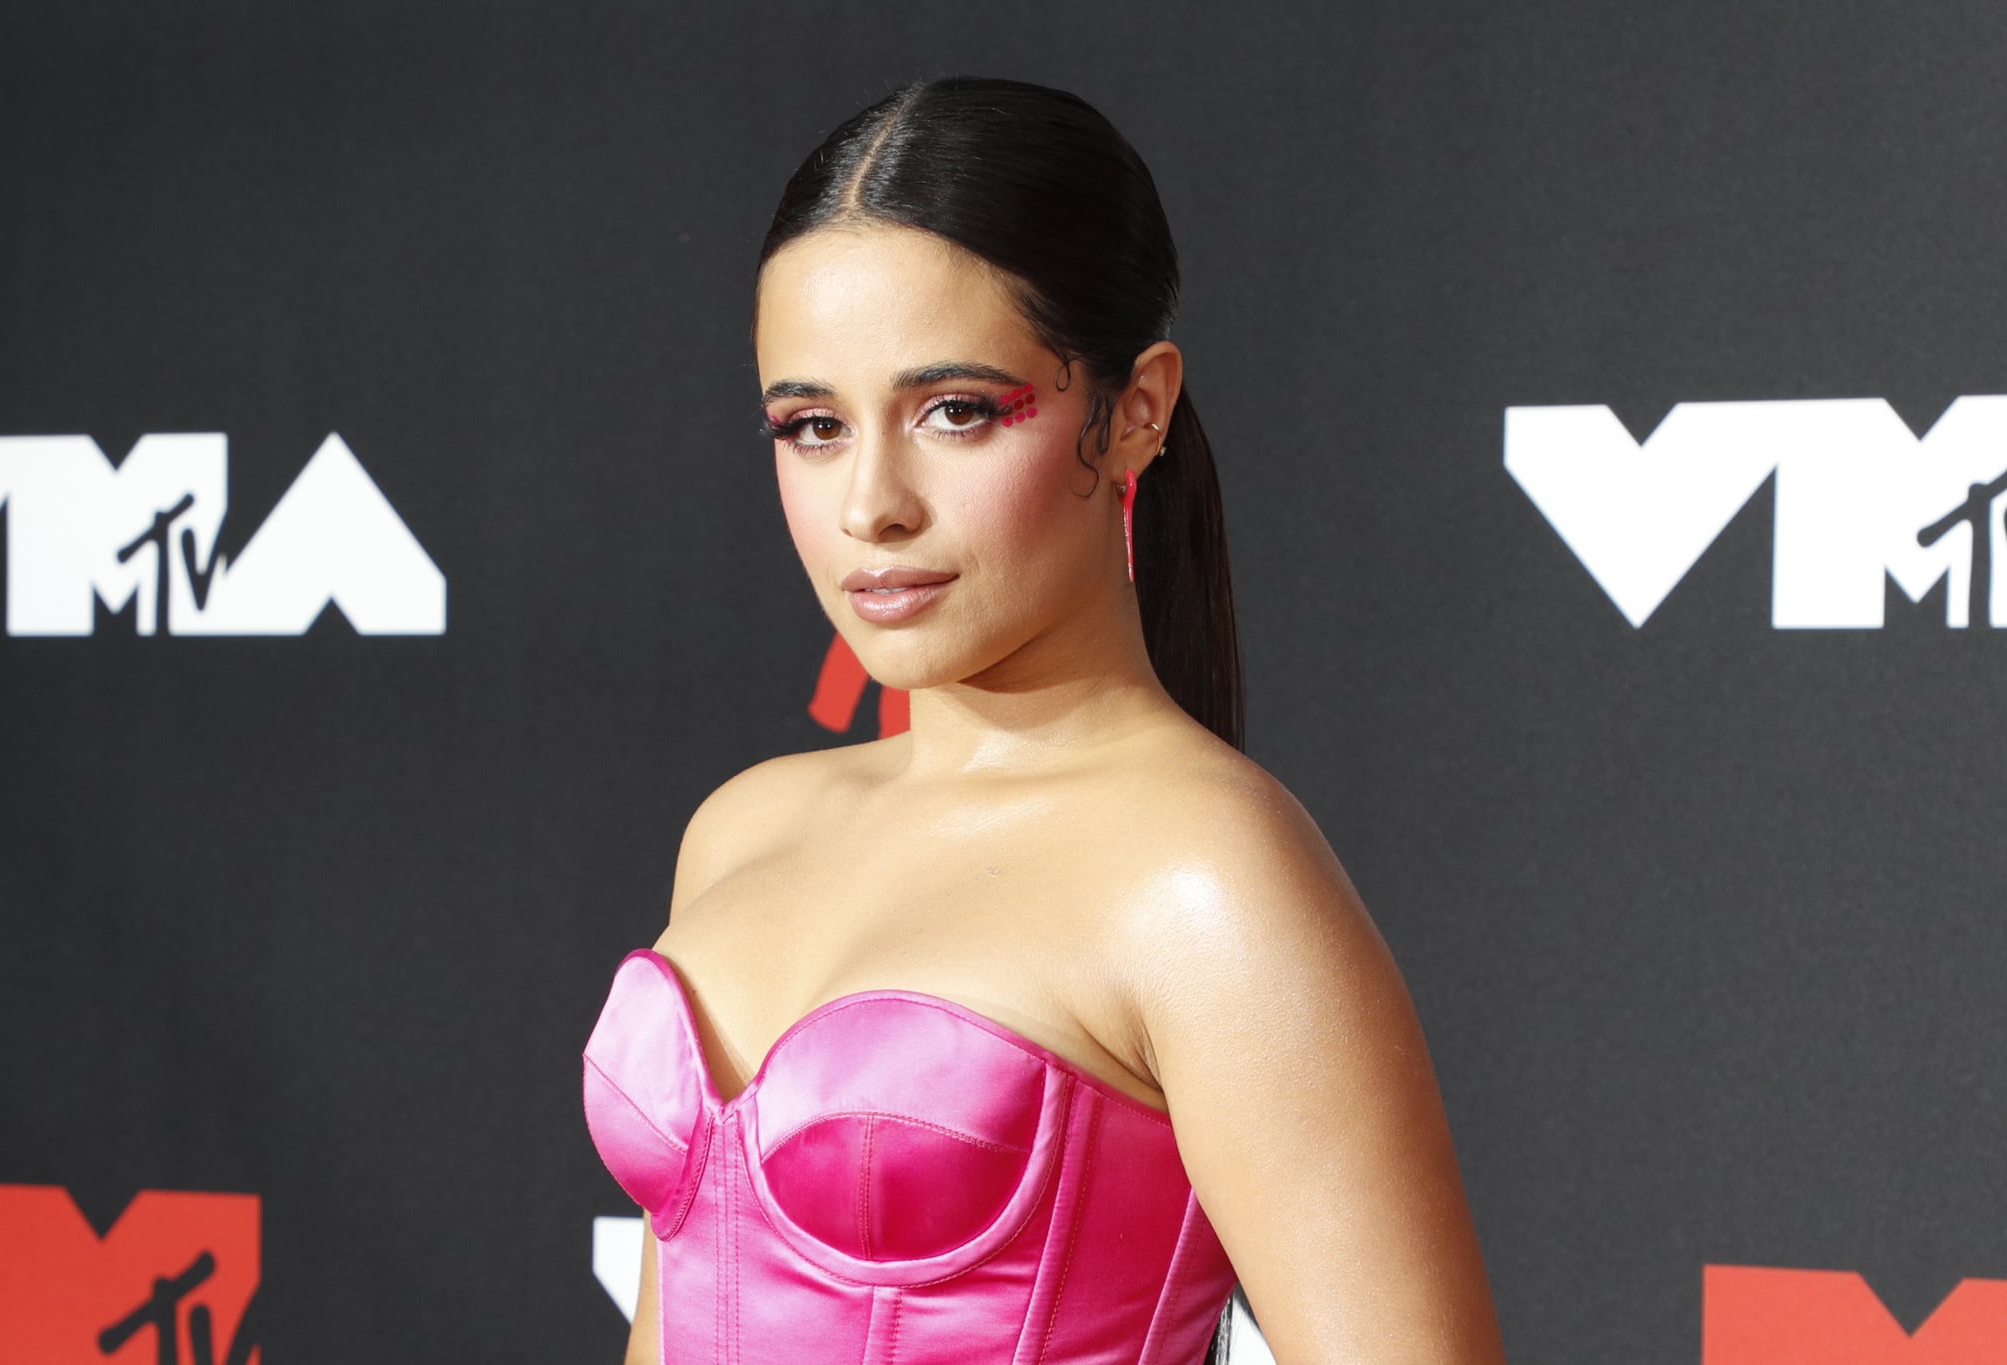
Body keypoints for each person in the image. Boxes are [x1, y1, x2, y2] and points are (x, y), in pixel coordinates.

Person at [582, 75, 1506, 1364]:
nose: (872, 505)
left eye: (956, 411)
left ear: (1135, 412)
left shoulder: (1207, 882)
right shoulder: (740, 830)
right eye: (810, 426)